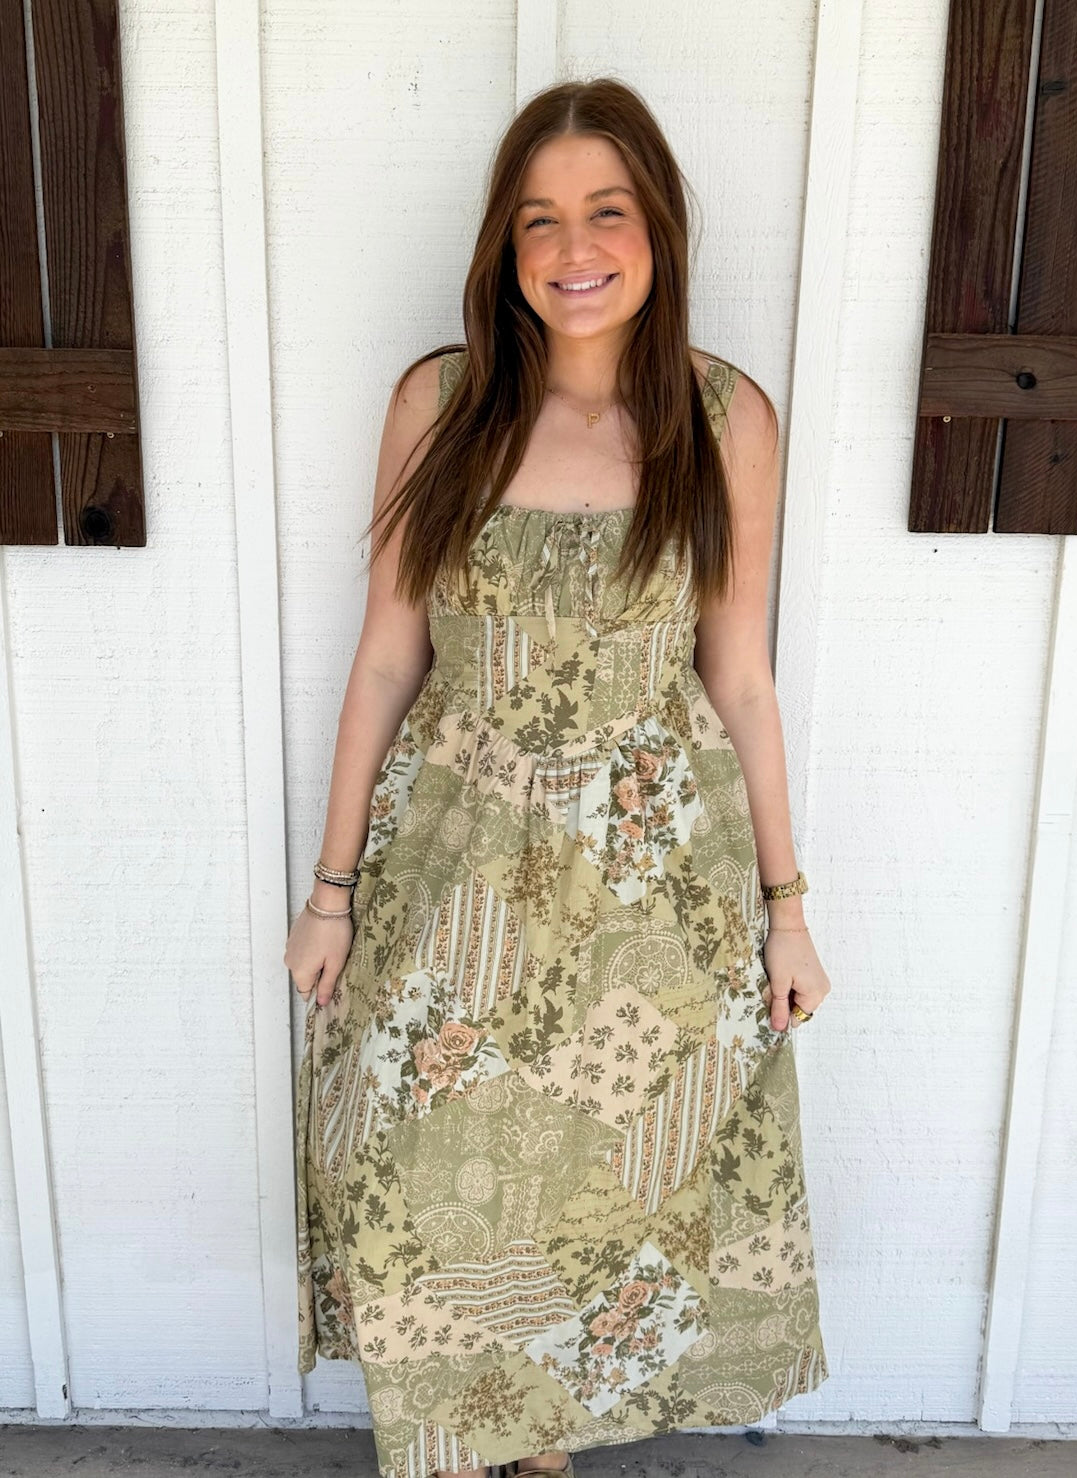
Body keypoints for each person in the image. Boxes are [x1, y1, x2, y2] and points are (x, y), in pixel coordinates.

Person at [285, 76, 832, 1478]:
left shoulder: (724, 418)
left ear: (657, 231)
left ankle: (534, 1446)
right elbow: (385, 659)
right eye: (538, 219)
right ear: (504, 244)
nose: (572, 248)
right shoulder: (441, 403)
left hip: (653, 882)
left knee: (595, 1187)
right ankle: (457, 1438)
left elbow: (740, 678)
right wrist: (332, 891)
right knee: (417, 1165)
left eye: (606, 211)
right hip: (454, 861)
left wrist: (786, 909)